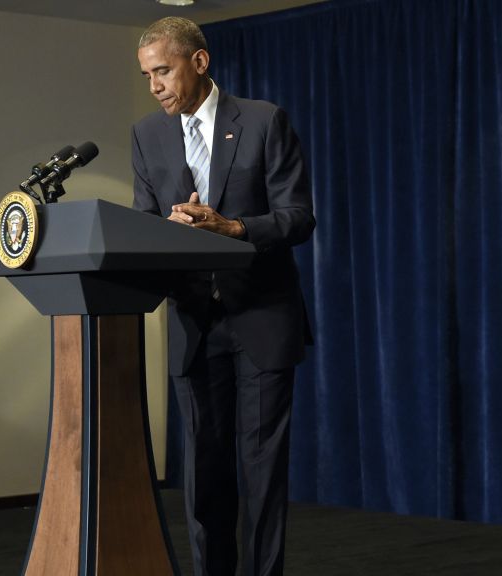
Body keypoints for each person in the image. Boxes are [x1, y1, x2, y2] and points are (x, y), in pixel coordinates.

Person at [131, 16, 314, 576]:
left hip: (260, 320)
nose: (155, 85)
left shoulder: (263, 121)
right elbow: (142, 226)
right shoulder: (147, 135)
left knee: (261, 473)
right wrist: (165, 228)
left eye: (163, 70)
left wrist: (231, 228)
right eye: (147, 75)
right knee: (205, 475)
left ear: (199, 62)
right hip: (194, 325)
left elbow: (298, 217)